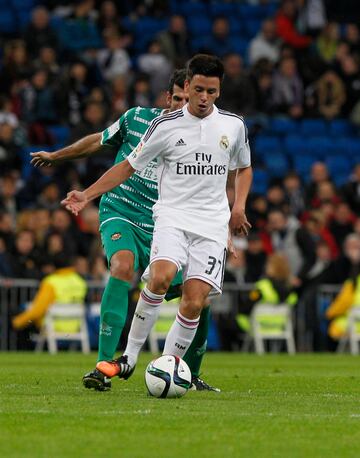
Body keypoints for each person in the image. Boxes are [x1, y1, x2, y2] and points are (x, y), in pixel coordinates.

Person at [62, 54, 252, 384]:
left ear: (218, 91)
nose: (203, 97)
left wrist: (238, 208)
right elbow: (127, 166)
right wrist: (88, 194)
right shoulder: (163, 126)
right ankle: (129, 358)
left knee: (195, 301)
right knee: (159, 278)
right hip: (171, 217)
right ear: (186, 87)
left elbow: (244, 167)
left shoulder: (233, 126)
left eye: (211, 91)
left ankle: (172, 366)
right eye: (198, 90)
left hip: (209, 225)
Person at [31, 69, 219, 392]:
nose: (181, 105)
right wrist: (58, 157)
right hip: (120, 209)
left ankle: (190, 373)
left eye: (188, 101)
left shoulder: (198, 138)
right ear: (168, 97)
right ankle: (103, 366)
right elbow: (98, 141)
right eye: (178, 98)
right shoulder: (137, 119)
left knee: (197, 296)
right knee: (122, 265)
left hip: (162, 224)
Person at [12, 253, 87, 348]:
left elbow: (38, 309)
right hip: (75, 327)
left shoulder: (50, 282)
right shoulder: (80, 282)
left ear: (53, 266)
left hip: (53, 326)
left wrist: (17, 322)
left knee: (24, 321)